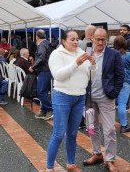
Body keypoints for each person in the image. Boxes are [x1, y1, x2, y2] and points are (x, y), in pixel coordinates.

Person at [46, 30, 96, 171]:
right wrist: (76, 63)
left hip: (80, 97)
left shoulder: (81, 52)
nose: (75, 42)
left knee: (73, 134)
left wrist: (93, 64)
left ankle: (70, 163)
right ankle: (49, 167)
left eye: (76, 39)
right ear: (64, 41)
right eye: (72, 39)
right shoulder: (57, 55)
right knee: (58, 133)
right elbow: (58, 75)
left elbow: (91, 76)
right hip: (62, 96)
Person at [83, 28, 124, 172]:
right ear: (92, 38)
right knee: (92, 128)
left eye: (103, 39)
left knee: (110, 130)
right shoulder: (86, 54)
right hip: (89, 98)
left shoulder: (114, 54)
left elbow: (120, 76)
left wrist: (114, 93)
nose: (100, 42)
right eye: (97, 39)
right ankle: (97, 153)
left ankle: (110, 159)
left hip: (106, 97)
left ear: (106, 39)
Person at [29, 29, 53, 121]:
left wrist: (33, 67)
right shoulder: (47, 43)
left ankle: (50, 109)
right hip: (47, 70)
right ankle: (43, 111)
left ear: (36, 37)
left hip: (44, 70)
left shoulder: (42, 45)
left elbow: (41, 58)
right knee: (44, 91)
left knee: (41, 92)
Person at [113, 36, 130, 133]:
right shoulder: (129, 55)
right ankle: (123, 126)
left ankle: (109, 125)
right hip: (125, 80)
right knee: (122, 104)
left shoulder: (110, 54)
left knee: (110, 104)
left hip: (113, 81)